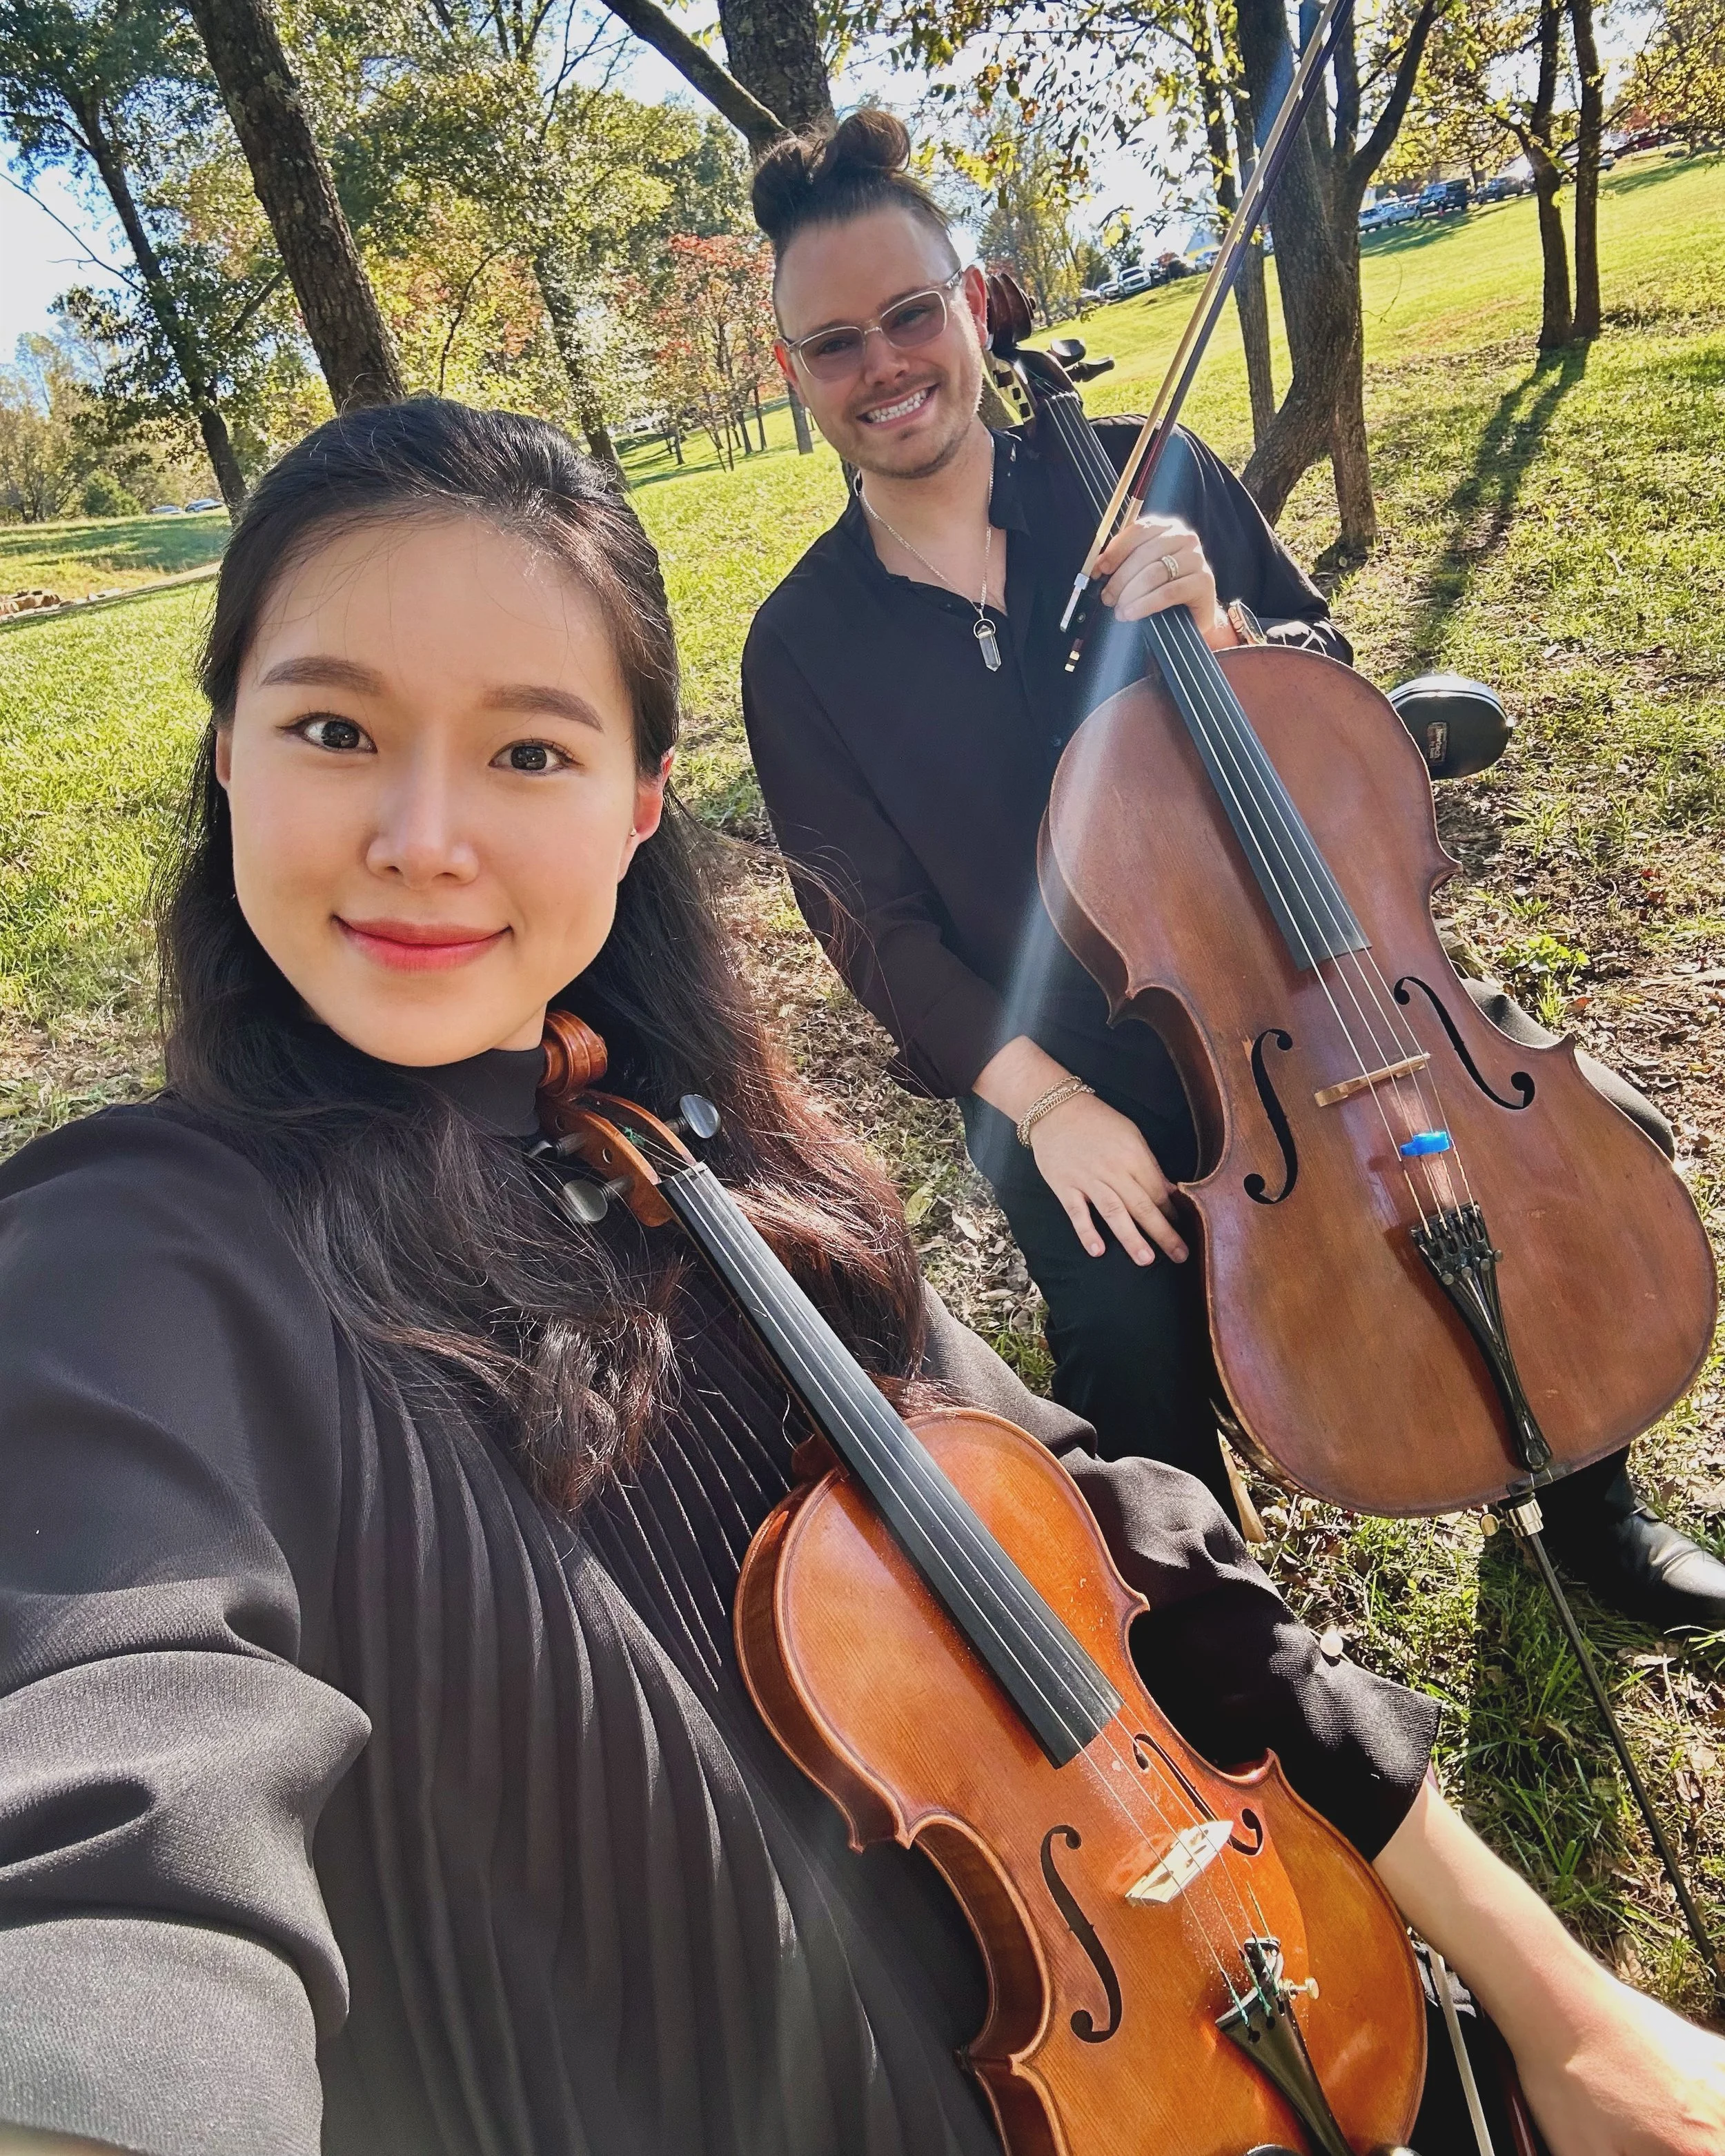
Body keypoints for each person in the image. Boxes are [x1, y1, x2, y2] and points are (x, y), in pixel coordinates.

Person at [1, 397, 1721, 2156]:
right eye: (335, 726)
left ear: (638, 801)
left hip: (1225, 2020)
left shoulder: (721, 1168)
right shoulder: (137, 1255)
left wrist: (1561, 2005)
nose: (424, 835)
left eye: (530, 752)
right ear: (229, 753)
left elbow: (1141, 1567)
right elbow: (105, 1839)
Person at [739, 110, 1725, 1633]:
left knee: (1527, 1169)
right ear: (794, 371)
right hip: (1053, 1052)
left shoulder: (1148, 473)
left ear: (972, 300)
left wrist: (1224, 630)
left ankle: (1578, 1506)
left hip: (1296, 965)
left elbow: (1325, 681)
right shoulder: (801, 647)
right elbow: (875, 935)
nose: (883, 364)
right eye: (833, 342)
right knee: (1125, 1327)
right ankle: (1230, 1645)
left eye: (910, 312)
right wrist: (1050, 1112)